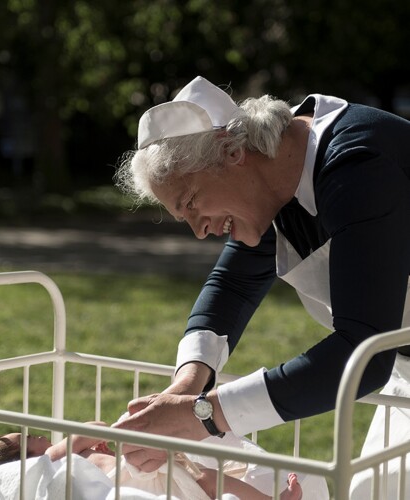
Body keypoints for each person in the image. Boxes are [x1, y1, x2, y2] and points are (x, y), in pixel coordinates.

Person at [113, 75, 410, 491]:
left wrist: (206, 415)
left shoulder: (358, 166)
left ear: (232, 153)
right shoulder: (276, 179)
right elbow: (231, 287)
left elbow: (364, 351)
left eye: (191, 203)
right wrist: (187, 384)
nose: (200, 231)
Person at [0, 426, 302, 499]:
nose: (39, 437)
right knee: (203, 477)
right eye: (30, 438)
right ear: (26, 459)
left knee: (203, 480)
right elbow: (88, 429)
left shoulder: (70, 461)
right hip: (133, 478)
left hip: (131, 479)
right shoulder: (49, 462)